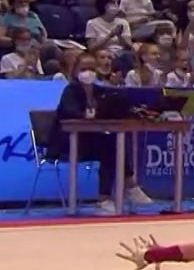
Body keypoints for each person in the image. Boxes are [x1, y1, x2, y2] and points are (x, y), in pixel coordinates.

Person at [48, 52, 156, 215]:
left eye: (91, 68)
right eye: (84, 68)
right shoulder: (71, 91)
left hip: (93, 140)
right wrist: (86, 115)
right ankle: (126, 187)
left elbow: (114, 107)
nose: (88, 72)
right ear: (76, 70)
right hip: (68, 143)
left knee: (112, 144)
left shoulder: (101, 90)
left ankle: (108, 197)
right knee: (110, 146)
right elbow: (68, 111)